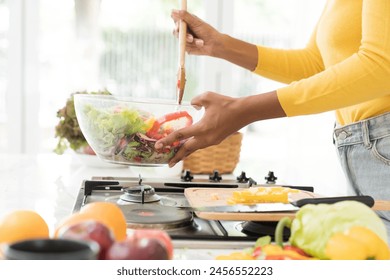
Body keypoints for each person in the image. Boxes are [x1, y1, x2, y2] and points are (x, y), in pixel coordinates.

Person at [155, 0, 390, 238]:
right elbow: (316, 64)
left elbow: (382, 66)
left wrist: (243, 109)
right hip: (365, 150)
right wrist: (219, 45)